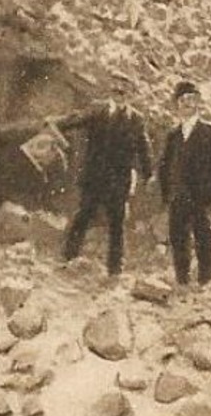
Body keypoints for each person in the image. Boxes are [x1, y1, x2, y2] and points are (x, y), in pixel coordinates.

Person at [56, 89, 153, 277]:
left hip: (118, 181)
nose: (120, 95)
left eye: (124, 92)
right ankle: (68, 257)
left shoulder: (136, 120)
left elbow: (144, 148)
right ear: (112, 93)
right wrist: (57, 125)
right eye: (117, 91)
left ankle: (114, 269)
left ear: (129, 96)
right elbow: (77, 121)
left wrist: (148, 175)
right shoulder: (98, 111)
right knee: (82, 217)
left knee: (117, 225)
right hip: (95, 178)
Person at [158, 80, 211, 287]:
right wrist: (166, 197)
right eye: (183, 100)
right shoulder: (172, 136)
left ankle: (205, 284)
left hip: (203, 199)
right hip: (178, 199)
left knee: (204, 241)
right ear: (177, 104)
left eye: (192, 99)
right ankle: (182, 283)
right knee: (179, 241)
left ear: (198, 103)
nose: (188, 104)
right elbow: (164, 168)